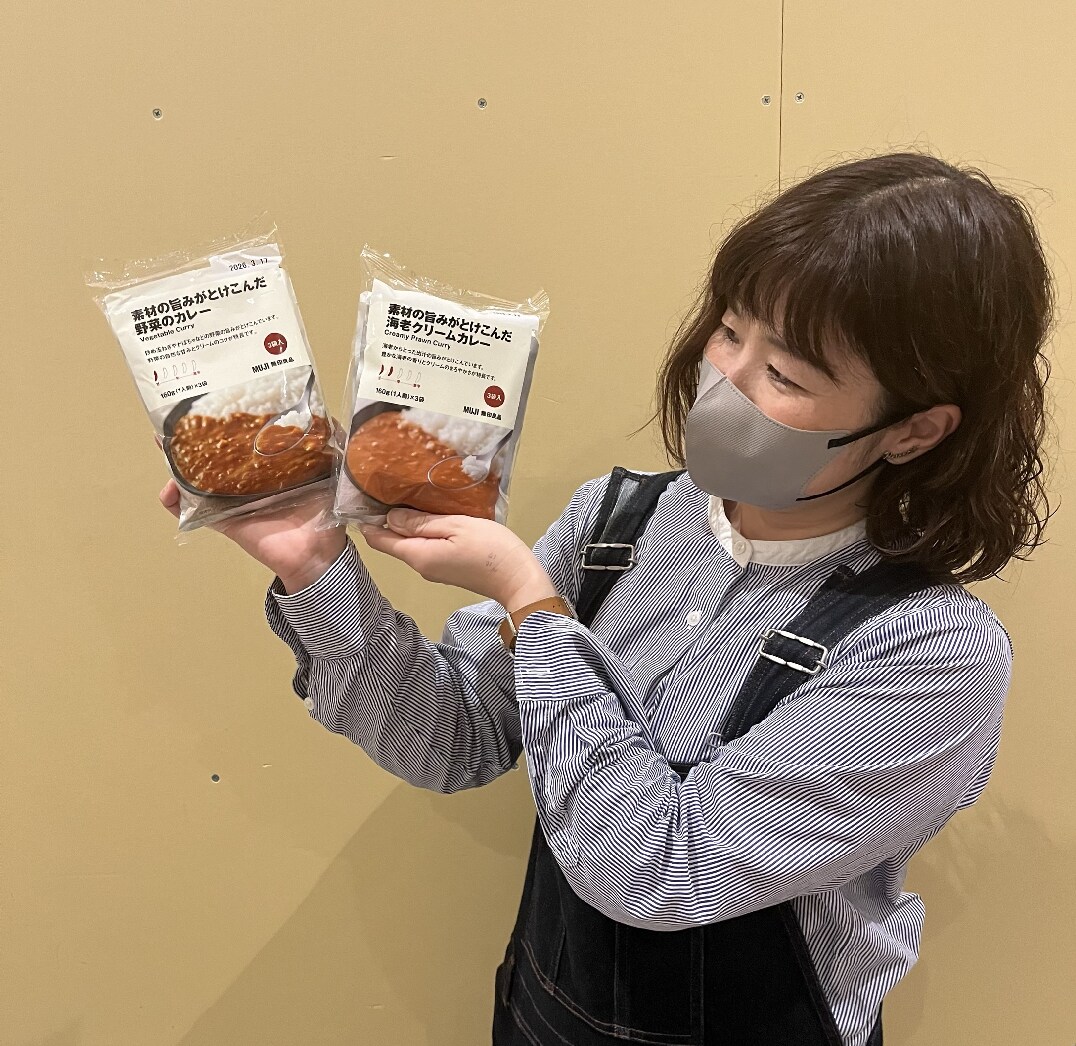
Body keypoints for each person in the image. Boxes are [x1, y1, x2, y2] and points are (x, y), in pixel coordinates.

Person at [160, 152, 1055, 1046]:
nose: (727, 379)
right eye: (729, 331)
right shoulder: (617, 522)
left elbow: (659, 867)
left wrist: (533, 607)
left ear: (914, 429)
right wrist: (314, 566)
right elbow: (454, 739)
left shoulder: (931, 653)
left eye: (786, 375)